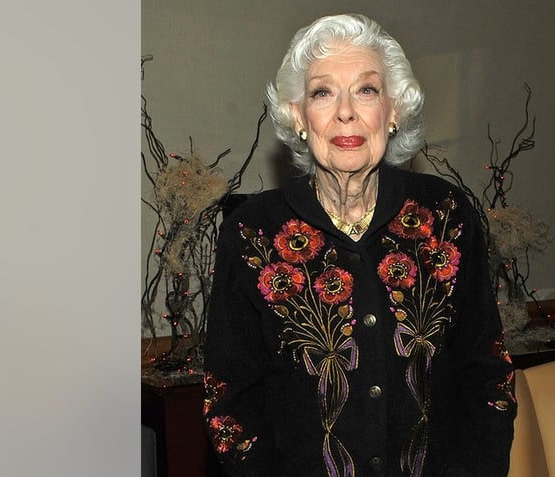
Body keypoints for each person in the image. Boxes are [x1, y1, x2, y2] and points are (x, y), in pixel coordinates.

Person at [203, 13, 516, 476]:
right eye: (322, 92)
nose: (345, 111)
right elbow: (230, 401)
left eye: (366, 90)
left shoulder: (448, 217)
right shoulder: (252, 233)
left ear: (393, 111)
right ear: (298, 116)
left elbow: (486, 374)